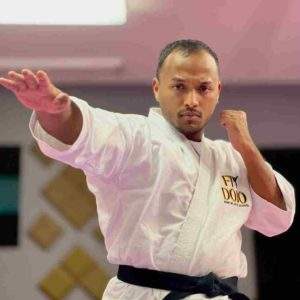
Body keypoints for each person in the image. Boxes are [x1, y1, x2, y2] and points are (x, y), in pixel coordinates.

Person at [0, 39, 295, 300]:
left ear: (217, 91)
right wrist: (55, 112)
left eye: (203, 88)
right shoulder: (135, 138)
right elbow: (88, 131)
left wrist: (245, 144)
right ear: (157, 88)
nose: (192, 100)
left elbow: (277, 218)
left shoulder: (231, 158)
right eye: (179, 86)